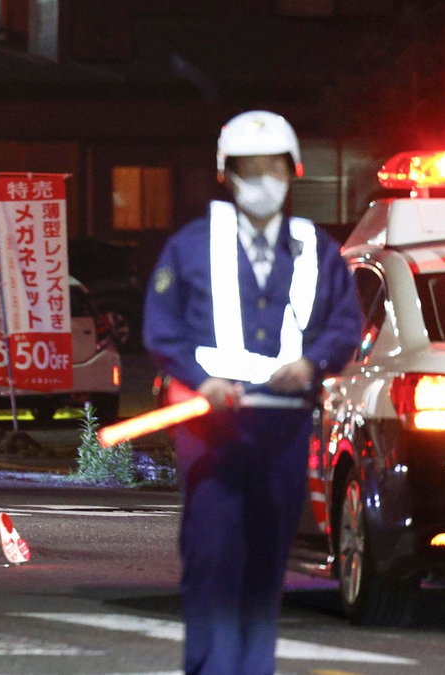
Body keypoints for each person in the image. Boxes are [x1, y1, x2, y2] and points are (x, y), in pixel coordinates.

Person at [142, 111, 362, 675]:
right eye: (249, 170)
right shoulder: (190, 248)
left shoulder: (317, 249)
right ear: (225, 175)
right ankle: (213, 668)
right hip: (210, 428)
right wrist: (199, 375)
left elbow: (344, 322)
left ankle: (251, 669)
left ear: (294, 174)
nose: (261, 181)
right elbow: (162, 328)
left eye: (273, 169)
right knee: (213, 553)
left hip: (284, 429)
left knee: (267, 560)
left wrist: (313, 363)